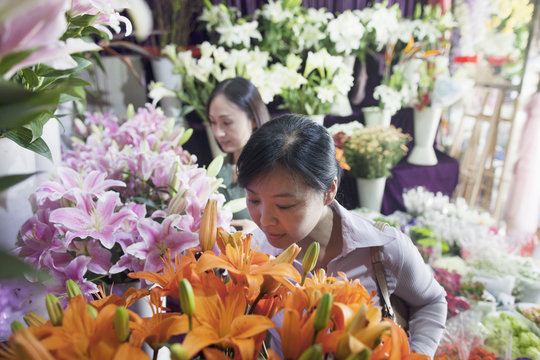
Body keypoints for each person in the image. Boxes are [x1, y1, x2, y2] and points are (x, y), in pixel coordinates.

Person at [236, 114, 447, 357]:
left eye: (284, 206)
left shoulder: (383, 248)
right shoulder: (254, 258)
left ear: (329, 191)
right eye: (253, 199)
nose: (264, 220)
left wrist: (419, 354)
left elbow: (431, 302)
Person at [207, 77, 270, 231]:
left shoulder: (273, 169)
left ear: (253, 119)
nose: (218, 132)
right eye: (213, 122)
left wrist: (258, 232)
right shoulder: (218, 169)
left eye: (226, 122)